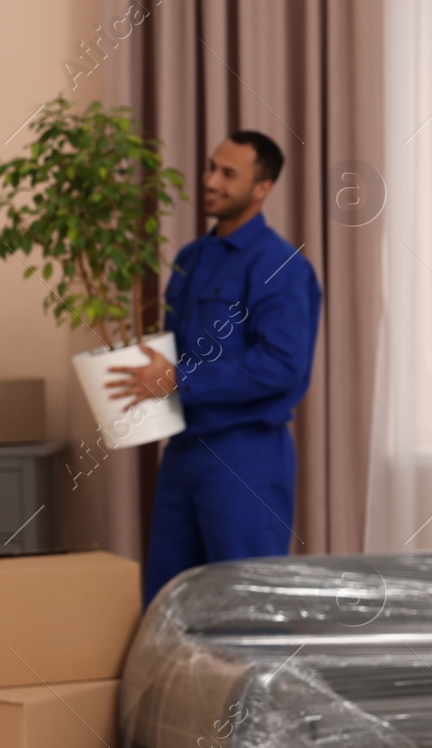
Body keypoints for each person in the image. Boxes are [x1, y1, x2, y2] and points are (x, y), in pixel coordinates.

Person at [107, 130, 321, 606]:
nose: (210, 181)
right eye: (209, 168)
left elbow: (282, 366)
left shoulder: (280, 266)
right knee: (170, 599)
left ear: (262, 188)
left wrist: (179, 379)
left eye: (228, 174)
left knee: (247, 602)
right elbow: (171, 354)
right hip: (183, 452)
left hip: (246, 457)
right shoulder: (190, 259)